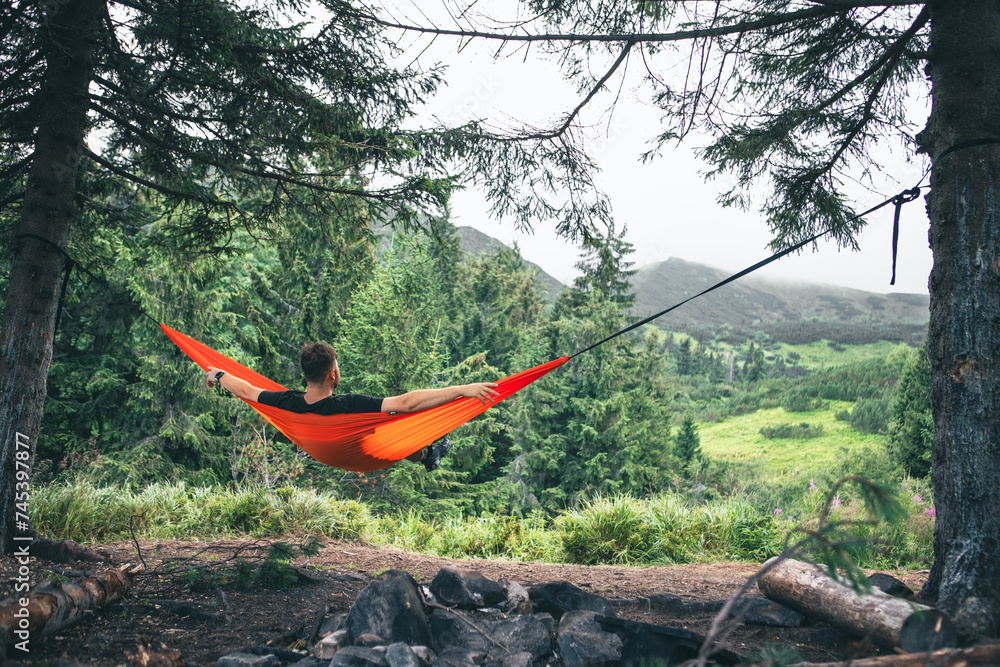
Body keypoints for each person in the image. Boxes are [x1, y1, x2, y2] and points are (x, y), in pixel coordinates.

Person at [205, 341, 499, 471]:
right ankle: (427, 452)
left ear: (306, 374)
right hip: (359, 449)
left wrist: (218, 374)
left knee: (388, 429)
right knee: (390, 425)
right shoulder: (350, 405)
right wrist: (463, 389)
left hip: (322, 448)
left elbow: (245, 388)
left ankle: (426, 454)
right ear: (333, 374)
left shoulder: (285, 401)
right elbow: (408, 404)